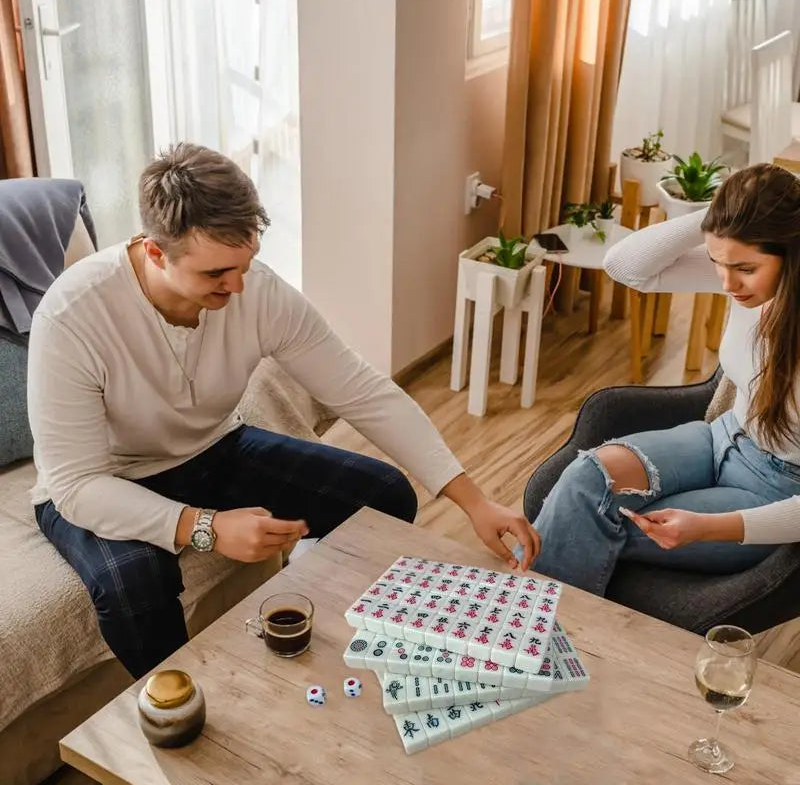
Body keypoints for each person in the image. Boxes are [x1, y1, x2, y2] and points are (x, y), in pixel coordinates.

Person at [28, 143, 541, 678]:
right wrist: (205, 527)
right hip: (106, 483)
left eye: (245, 263)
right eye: (216, 274)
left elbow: (361, 390)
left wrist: (474, 501)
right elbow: (77, 485)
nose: (238, 286)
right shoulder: (72, 316)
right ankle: (185, 705)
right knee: (135, 585)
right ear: (157, 254)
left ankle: (314, 626)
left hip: (211, 449)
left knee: (384, 495)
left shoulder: (255, 292)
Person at [522, 163, 800, 595]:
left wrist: (708, 528)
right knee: (584, 481)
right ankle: (516, 630)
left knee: (591, 523)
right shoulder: (744, 276)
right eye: (716, 262)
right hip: (720, 438)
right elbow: (626, 266)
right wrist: (718, 214)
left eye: (745, 267)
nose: (727, 283)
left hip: (776, 490)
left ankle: (524, 636)